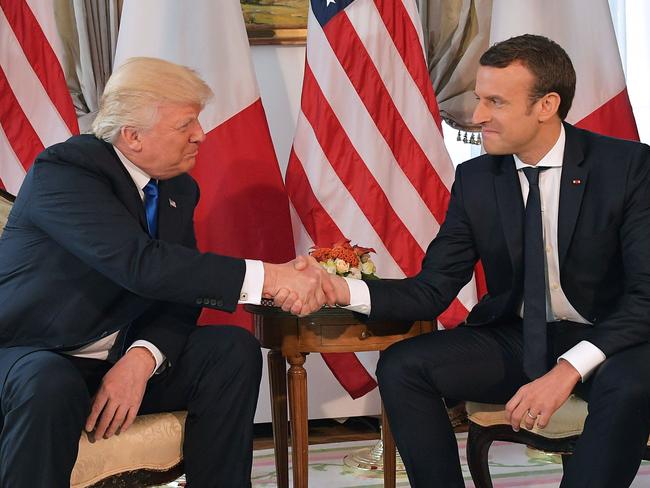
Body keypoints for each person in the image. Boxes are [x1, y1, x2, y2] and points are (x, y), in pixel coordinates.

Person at [312, 34, 650, 487]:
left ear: (546, 105)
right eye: (479, 99)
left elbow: (646, 296)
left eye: (496, 102)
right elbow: (431, 289)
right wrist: (342, 290)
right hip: (521, 338)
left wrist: (568, 369)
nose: (477, 116)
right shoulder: (476, 179)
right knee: (403, 366)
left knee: (629, 384)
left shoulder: (626, 166)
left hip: (611, 339)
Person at [0, 57, 334, 487]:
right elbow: (141, 265)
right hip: (33, 352)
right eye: (186, 124)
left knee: (231, 350)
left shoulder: (177, 188)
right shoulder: (67, 172)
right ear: (132, 136)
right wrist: (270, 277)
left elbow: (180, 290)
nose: (201, 134)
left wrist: (142, 358)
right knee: (50, 383)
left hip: (114, 357)